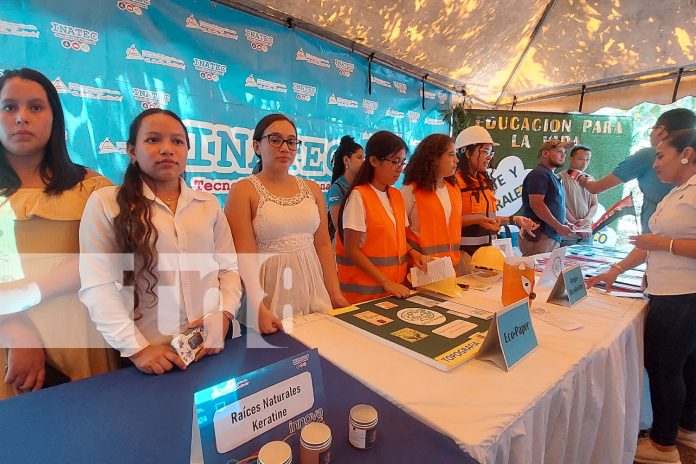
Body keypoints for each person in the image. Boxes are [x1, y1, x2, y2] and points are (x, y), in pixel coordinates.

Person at [79, 108, 243, 375]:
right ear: (132, 150)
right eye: (153, 140)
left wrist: (224, 316)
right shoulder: (106, 203)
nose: (167, 149)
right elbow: (98, 285)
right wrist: (137, 349)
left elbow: (228, 269)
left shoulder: (208, 204)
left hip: (213, 345)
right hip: (151, 360)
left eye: (177, 141)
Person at [0, 68, 117, 397]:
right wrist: (12, 327)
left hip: (80, 339)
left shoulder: (92, 188)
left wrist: (23, 295)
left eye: (36, 107)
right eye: (9, 107)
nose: (22, 117)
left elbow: (106, 261)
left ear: (55, 118)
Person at [588, 129, 696, 464]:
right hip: (668, 291)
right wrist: (614, 271)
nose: (656, 162)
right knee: (683, 365)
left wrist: (663, 245)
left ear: (686, 154)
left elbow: (656, 242)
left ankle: (663, 446)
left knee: (664, 367)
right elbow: (649, 242)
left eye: (661, 155)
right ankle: (684, 427)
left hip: (683, 295)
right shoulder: (677, 191)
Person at [225, 114, 348, 327]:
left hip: (312, 286)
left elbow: (323, 245)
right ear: (257, 146)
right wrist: (258, 307)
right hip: (268, 293)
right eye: (275, 140)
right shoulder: (242, 190)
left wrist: (334, 293)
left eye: (291, 142)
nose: (285, 148)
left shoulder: (312, 189)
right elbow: (244, 255)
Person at [336, 131, 428, 303]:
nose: (399, 169)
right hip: (364, 295)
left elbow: (397, 239)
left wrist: (413, 253)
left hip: (393, 291)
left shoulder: (395, 195)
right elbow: (351, 249)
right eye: (395, 162)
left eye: (402, 162)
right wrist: (385, 282)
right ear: (373, 161)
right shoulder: (359, 196)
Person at [579, 108, 696, 233]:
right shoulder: (673, 196)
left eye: (660, 156)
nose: (655, 165)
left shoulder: (647, 156)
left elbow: (596, 187)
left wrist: (582, 179)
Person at [454, 125, 538, 256]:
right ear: (468, 152)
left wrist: (514, 219)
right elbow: (447, 221)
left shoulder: (485, 181)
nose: (489, 157)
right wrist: (477, 220)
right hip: (463, 255)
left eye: (491, 153)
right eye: (485, 152)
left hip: (488, 254)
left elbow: (488, 219)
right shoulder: (454, 183)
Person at [401, 133, 461, 269]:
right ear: (434, 158)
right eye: (451, 155)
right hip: (421, 271)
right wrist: (413, 253)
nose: (456, 160)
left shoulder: (454, 189)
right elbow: (395, 232)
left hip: (450, 271)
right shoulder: (411, 190)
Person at [519, 139, 574, 256]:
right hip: (541, 236)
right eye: (559, 151)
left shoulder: (550, 175)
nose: (563, 154)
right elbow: (537, 204)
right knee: (536, 272)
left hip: (549, 236)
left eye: (564, 152)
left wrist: (565, 222)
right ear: (545, 153)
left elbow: (553, 205)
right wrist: (558, 226)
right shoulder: (539, 174)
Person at [558, 144, 597, 246]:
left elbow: (594, 204)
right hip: (567, 236)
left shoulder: (590, 179)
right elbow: (560, 206)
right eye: (581, 159)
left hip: (587, 233)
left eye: (587, 160)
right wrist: (577, 226)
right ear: (571, 159)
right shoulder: (559, 178)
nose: (584, 163)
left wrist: (587, 220)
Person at [327, 135, 364, 240]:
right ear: (346, 160)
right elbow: (338, 225)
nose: (363, 162)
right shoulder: (337, 188)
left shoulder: (362, 186)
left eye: (364, 158)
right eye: (359, 157)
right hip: (343, 245)